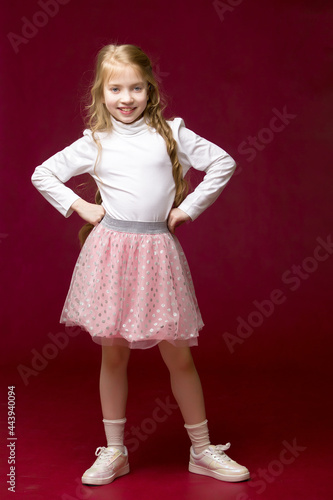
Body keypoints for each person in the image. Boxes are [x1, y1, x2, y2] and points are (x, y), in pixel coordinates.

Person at [31, 43, 250, 486]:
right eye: (115, 88)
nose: (125, 97)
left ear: (150, 89)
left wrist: (187, 210)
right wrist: (79, 206)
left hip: (157, 253)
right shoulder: (95, 141)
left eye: (135, 87)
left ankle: (203, 450)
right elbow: (43, 173)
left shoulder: (171, 133)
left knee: (179, 355)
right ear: (101, 92)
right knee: (113, 353)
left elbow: (222, 162)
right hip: (110, 256)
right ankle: (114, 452)